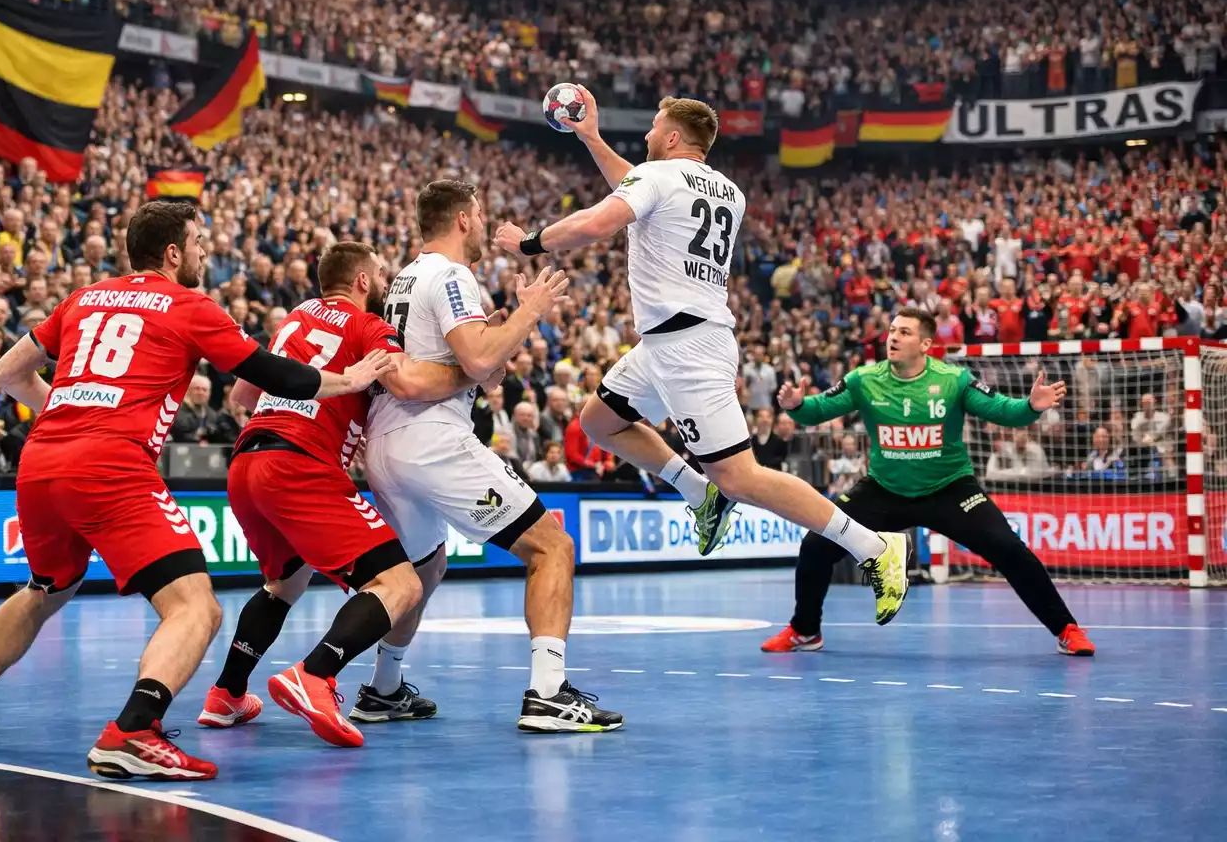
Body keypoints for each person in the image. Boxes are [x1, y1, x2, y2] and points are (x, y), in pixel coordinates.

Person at [0, 200, 392, 782]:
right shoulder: (189, 304)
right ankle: (135, 730)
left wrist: (67, 412)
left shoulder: (85, 297)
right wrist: (352, 379)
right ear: (172, 252)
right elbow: (273, 375)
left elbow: (6, 374)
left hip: (42, 460)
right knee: (195, 607)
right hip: (110, 466)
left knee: (46, 588)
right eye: (197, 242)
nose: (203, 252)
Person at [494, 88, 910, 624]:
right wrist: (591, 137)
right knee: (598, 421)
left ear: (670, 137)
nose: (645, 136)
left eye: (652, 128)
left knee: (742, 477)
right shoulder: (725, 191)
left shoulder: (657, 178)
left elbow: (599, 221)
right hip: (669, 343)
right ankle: (699, 493)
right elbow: (639, 186)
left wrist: (529, 242)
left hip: (687, 348)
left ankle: (874, 547)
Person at [361, 179, 622, 733]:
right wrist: (528, 313)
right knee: (552, 547)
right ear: (461, 219)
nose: (482, 225)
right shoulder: (452, 274)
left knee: (423, 567)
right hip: (432, 440)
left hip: (383, 443)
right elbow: (479, 359)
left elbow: (478, 363)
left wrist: (493, 347)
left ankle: (383, 688)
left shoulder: (404, 278)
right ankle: (549, 694)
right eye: (478, 215)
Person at [200, 241, 473, 746]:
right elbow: (410, 382)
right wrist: (473, 367)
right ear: (363, 282)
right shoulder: (368, 326)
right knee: (400, 584)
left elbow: (242, 394)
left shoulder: (293, 319)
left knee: (285, 584)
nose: (387, 281)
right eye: (381, 274)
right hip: (297, 465)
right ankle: (315, 675)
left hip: (247, 460)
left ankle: (227, 695)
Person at [763, 308, 1094, 658]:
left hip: (950, 489)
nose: (893, 337)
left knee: (1010, 551)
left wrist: (1030, 406)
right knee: (817, 544)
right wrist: (796, 406)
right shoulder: (864, 379)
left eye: (904, 332)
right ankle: (805, 631)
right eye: (892, 330)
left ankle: (1067, 630)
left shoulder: (954, 380)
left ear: (925, 344)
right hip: (884, 489)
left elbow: (1002, 410)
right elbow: (818, 410)